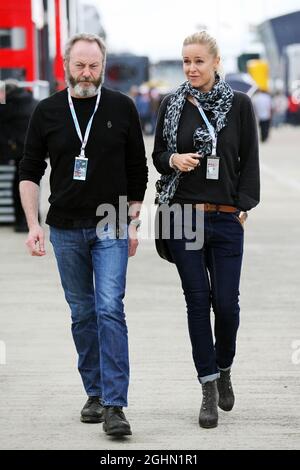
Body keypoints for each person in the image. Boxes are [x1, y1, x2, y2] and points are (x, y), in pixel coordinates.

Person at [19, 33, 148, 437]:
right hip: (65, 229)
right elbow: (28, 170)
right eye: (80, 66)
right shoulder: (47, 111)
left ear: (103, 66)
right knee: (83, 314)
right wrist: (33, 224)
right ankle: (94, 392)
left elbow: (137, 170)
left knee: (110, 308)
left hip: (111, 223)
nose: (87, 74)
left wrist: (133, 220)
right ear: (66, 66)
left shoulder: (122, 107)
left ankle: (114, 405)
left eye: (94, 66)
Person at [152, 31, 259, 429]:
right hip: (183, 216)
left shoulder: (241, 106)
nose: (191, 68)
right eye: (186, 61)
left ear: (216, 62)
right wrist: (173, 159)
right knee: (197, 301)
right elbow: (158, 156)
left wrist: (243, 207)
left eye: (198, 61)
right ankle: (208, 387)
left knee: (227, 305)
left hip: (226, 217)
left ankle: (224, 365)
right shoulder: (171, 104)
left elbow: (249, 159)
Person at [0, 79, 38, 231]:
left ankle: (21, 222)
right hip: (33, 150)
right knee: (32, 184)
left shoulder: (7, 105)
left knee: (18, 186)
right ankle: (33, 220)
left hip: (15, 150)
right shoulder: (33, 102)